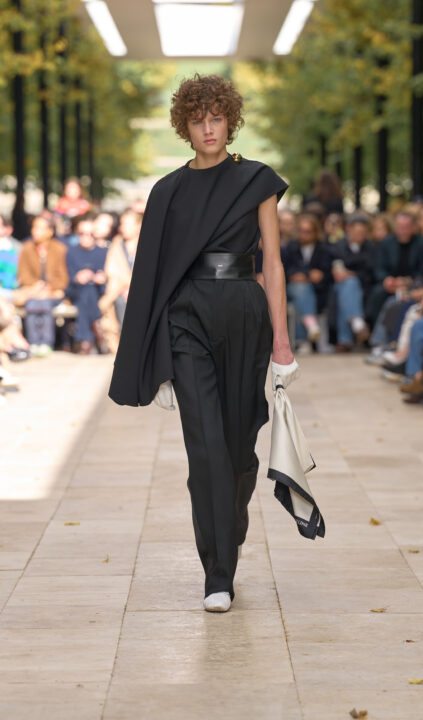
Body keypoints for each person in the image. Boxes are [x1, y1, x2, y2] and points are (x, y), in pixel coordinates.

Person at [108, 73, 299, 613]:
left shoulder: (257, 180)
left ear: (230, 120)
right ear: (184, 126)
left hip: (243, 312)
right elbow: (151, 276)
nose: (208, 129)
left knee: (238, 449)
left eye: (217, 118)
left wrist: (282, 345)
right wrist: (158, 361)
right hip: (186, 316)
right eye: (198, 120)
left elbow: (272, 264)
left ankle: (228, 530)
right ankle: (218, 572)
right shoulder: (167, 192)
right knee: (206, 446)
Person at [15, 215, 68, 356]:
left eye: (39, 228)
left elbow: (63, 276)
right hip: (33, 291)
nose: (35, 231)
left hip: (53, 292)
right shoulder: (26, 248)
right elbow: (23, 274)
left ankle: (46, 342)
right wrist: (36, 286)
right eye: (34, 227)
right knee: (33, 304)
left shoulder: (59, 249)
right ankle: (33, 342)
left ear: (50, 231)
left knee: (44, 304)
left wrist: (50, 287)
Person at [365, 212, 423, 327]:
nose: (403, 231)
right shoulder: (387, 242)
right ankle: (372, 326)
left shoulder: (422, 243)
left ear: (412, 227)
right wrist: (387, 280)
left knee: (395, 303)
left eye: (406, 227)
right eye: (400, 227)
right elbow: (379, 267)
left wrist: (408, 281)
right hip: (391, 283)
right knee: (377, 294)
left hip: (413, 284)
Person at [283, 214, 333, 349]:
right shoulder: (291, 247)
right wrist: (308, 275)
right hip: (292, 289)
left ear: (316, 232)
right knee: (300, 288)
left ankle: (302, 341)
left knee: (300, 298)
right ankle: (311, 325)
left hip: (317, 291)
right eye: (300, 231)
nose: (303, 235)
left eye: (307, 231)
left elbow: (324, 274)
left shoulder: (324, 249)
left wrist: (304, 275)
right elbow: (285, 270)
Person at [328, 213, 374, 350]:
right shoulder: (338, 247)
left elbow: (371, 272)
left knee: (348, 285)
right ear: (349, 228)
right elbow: (333, 267)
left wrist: (352, 274)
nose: (361, 235)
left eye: (363, 232)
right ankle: (357, 322)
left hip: (363, 286)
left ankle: (345, 339)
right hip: (339, 285)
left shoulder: (371, 247)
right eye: (358, 232)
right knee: (347, 285)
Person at [99, 209, 142, 353]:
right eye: (122, 224)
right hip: (119, 289)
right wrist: (123, 287)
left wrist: (132, 287)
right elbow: (111, 270)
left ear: (138, 226)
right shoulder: (117, 244)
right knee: (117, 301)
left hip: (141, 288)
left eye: (127, 224)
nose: (123, 227)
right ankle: (124, 342)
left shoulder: (147, 243)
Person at [65, 217, 109, 355]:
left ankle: (85, 340)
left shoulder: (102, 252)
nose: (86, 237)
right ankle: (97, 330)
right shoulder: (71, 252)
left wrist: (101, 278)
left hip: (95, 291)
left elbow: (106, 274)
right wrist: (77, 278)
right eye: (82, 234)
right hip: (76, 291)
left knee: (88, 292)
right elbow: (68, 278)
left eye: (90, 234)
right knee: (86, 291)